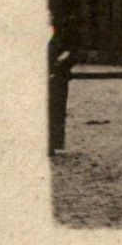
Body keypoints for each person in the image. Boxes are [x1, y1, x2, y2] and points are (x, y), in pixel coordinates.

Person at [48, 25, 74, 155]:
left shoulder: (63, 31)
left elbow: (71, 50)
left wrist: (61, 63)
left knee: (56, 109)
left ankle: (52, 143)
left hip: (58, 75)